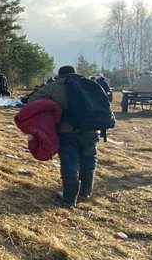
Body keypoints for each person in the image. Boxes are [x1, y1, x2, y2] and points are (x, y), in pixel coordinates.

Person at [28, 65, 102, 207]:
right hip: (92, 129)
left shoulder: (56, 86)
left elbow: (33, 101)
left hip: (67, 129)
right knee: (89, 156)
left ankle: (69, 197)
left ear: (59, 75)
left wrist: (53, 107)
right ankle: (86, 191)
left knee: (70, 160)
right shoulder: (90, 84)